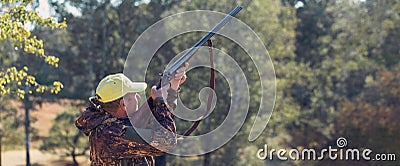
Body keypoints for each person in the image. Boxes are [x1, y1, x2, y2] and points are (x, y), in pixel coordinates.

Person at [75, 63, 188, 165]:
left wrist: (172, 87)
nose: (138, 97)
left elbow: (162, 118)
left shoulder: (110, 122)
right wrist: (159, 101)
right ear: (124, 104)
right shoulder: (111, 133)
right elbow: (167, 141)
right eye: (134, 95)